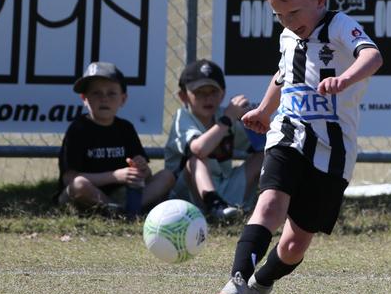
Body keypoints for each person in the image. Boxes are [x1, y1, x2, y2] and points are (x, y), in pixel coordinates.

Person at [209, 0, 383, 294]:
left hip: (333, 150)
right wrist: (264, 110)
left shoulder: (338, 25)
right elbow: (283, 74)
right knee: (269, 205)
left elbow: (373, 56)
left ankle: (262, 281)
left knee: (294, 244)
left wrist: (345, 79)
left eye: (294, 13)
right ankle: (236, 281)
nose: (288, 23)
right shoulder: (288, 34)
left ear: (320, 0)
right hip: (289, 133)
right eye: (279, 16)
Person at [56, 62, 174, 215]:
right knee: (79, 184)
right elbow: (69, 178)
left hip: (120, 194)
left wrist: (141, 169)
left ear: (123, 99)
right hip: (87, 195)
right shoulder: (78, 129)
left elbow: (145, 175)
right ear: (84, 98)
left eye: (111, 93)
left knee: (167, 176)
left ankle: (122, 211)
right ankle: (120, 210)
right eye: (96, 93)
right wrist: (116, 176)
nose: (104, 99)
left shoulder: (125, 128)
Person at [164, 59, 264, 220]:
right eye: (200, 93)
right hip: (189, 194)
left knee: (266, 156)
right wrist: (228, 119)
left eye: (213, 92)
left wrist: (255, 123)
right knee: (195, 160)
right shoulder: (182, 117)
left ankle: (260, 207)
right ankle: (215, 207)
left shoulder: (223, 116)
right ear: (183, 96)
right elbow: (199, 149)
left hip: (224, 185)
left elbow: (260, 147)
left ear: (223, 94)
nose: (208, 98)